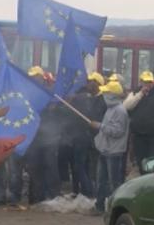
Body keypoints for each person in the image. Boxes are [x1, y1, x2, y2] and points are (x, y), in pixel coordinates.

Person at [61, 73, 106, 198]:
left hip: (97, 138)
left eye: (91, 81)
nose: (88, 83)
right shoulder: (88, 98)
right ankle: (81, 191)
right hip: (83, 137)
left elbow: (100, 119)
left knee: (89, 166)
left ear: (98, 83)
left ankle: (89, 192)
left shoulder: (103, 100)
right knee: (81, 165)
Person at [24, 66, 61, 204]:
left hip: (50, 137)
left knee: (50, 166)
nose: (34, 79)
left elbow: (56, 112)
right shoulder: (27, 93)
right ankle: (35, 197)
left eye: (36, 76)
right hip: (34, 137)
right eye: (32, 76)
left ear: (41, 77)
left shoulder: (50, 92)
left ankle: (53, 196)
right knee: (34, 166)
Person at [91, 81, 129, 213]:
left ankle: (116, 208)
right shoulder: (110, 108)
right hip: (105, 149)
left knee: (114, 183)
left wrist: (100, 126)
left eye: (107, 93)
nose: (104, 95)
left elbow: (118, 131)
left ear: (113, 95)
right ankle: (100, 206)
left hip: (114, 152)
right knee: (101, 180)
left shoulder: (120, 110)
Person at [124, 71, 154, 172]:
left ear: (153, 82)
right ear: (140, 82)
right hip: (138, 136)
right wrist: (140, 94)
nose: (147, 84)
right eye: (145, 82)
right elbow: (126, 106)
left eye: (149, 82)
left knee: (153, 164)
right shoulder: (135, 93)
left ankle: (153, 184)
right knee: (141, 163)